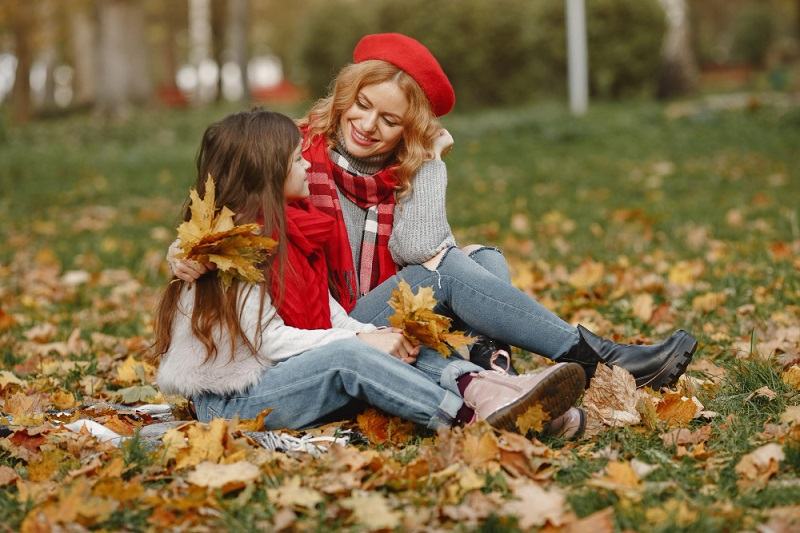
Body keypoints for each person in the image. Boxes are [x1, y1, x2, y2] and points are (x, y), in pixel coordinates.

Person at [170, 33, 697, 393]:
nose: (369, 125)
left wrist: (427, 164)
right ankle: (597, 360)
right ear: (346, 95)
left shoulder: (406, 169)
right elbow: (227, 211)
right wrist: (180, 253)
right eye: (362, 105)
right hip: (329, 325)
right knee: (447, 269)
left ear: (408, 129)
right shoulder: (295, 155)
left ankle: (497, 374)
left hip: (374, 310)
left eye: (390, 120)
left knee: (483, 260)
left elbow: (420, 244)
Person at [153, 109, 587, 437]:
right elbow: (268, 340)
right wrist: (362, 339)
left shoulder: (288, 235)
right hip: (233, 400)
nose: (306, 164)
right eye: (294, 159)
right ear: (266, 174)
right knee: (354, 355)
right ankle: (470, 421)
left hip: (285, 377)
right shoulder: (227, 254)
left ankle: (497, 390)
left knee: (395, 345)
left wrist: (381, 338)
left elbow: (329, 313)